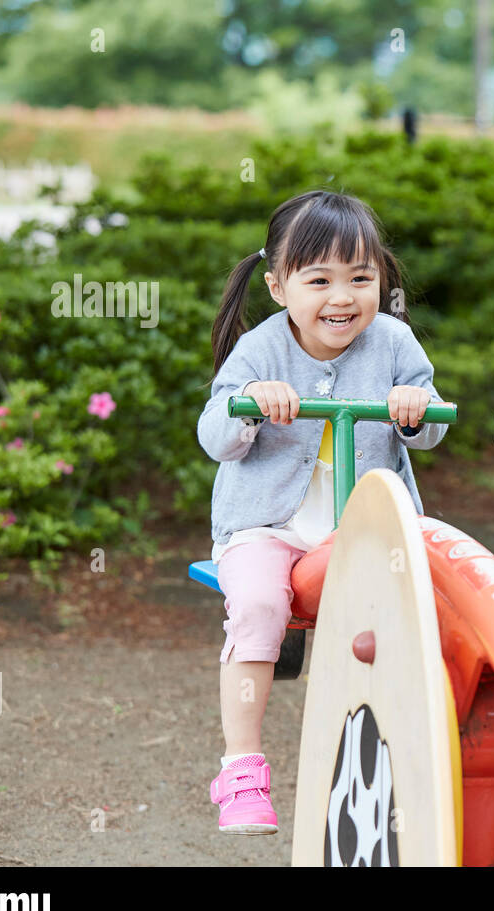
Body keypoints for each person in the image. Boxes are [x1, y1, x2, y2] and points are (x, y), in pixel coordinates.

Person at [196, 190, 447, 833]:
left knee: (419, 602)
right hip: (267, 527)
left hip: (360, 528)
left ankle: (398, 750)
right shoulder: (261, 349)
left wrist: (414, 409)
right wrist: (250, 399)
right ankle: (242, 768)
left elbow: (431, 424)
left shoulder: (392, 341)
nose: (343, 298)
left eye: (361, 278)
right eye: (320, 280)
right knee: (257, 606)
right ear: (280, 287)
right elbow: (215, 435)